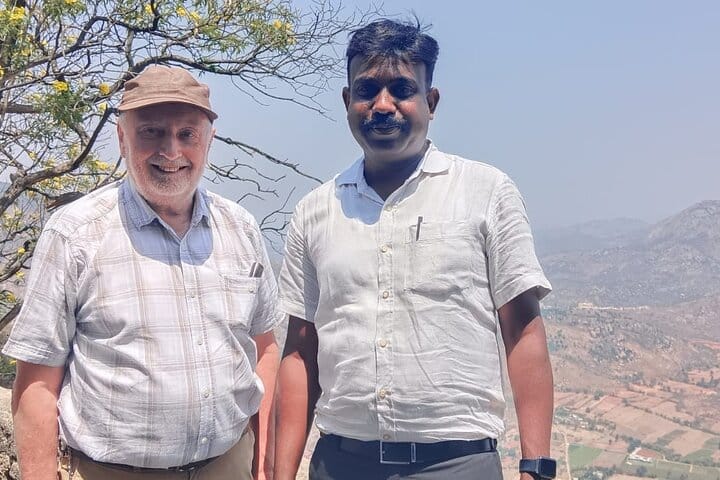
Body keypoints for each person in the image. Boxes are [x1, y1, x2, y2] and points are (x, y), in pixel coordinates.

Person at [275, 19, 556, 480]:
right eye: (367, 90)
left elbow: (523, 332)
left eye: (402, 89)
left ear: (431, 101)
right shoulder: (314, 212)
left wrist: (537, 467)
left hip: (458, 464)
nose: (383, 105)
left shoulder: (486, 192)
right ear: (347, 101)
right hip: (341, 464)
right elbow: (300, 352)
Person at [3, 65, 281, 480]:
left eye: (187, 134)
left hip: (228, 464)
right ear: (122, 138)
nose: (171, 151)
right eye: (152, 132)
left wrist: (262, 465)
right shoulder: (75, 234)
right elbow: (37, 383)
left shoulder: (240, 228)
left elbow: (265, 347)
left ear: (209, 141)